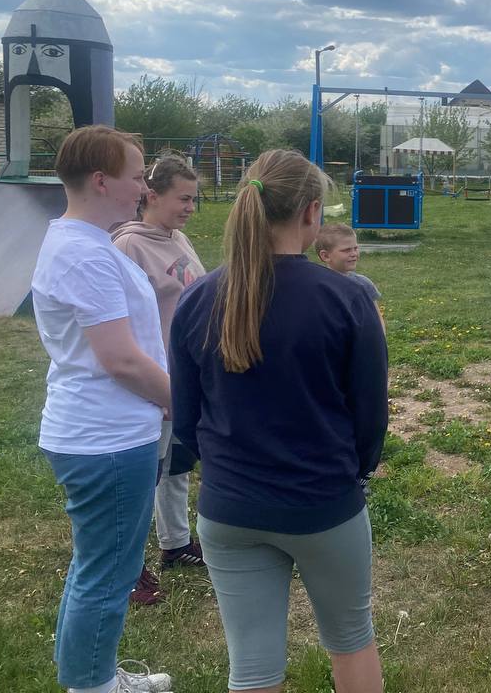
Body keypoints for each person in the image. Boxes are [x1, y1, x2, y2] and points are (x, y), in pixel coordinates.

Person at [169, 150, 389, 693]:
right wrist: (356, 472)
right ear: (311, 213)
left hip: (229, 508)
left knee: (252, 665)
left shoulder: (197, 298)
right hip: (323, 504)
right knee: (351, 639)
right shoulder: (347, 298)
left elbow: (186, 417)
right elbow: (370, 415)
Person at [32, 125, 174, 693]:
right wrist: (185, 405)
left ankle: (89, 675)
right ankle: (93, 686)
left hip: (103, 431)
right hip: (107, 439)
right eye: (137, 177)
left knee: (97, 566)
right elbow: (121, 360)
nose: (144, 188)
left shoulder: (84, 243)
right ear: (101, 181)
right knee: (108, 573)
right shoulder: (84, 254)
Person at [112, 154, 207, 601]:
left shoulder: (178, 238)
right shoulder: (128, 246)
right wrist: (154, 384)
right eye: (183, 198)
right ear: (152, 195)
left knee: (176, 466)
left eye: (193, 198)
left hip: (185, 373)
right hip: (154, 379)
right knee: (143, 474)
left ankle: (175, 543)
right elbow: (122, 323)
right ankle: (126, 568)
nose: (190, 207)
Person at [315, 223, 385, 332]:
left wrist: (381, 338)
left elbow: (377, 320)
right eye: (346, 250)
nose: (354, 254)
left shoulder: (364, 284)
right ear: (326, 256)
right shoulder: (318, 287)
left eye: (355, 248)